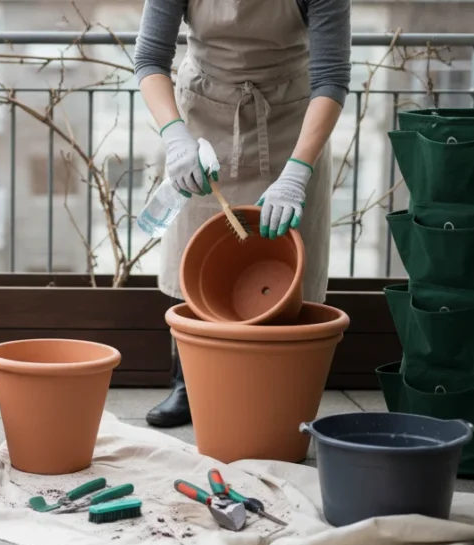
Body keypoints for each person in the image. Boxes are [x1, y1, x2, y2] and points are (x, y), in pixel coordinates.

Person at [134, 0, 351, 427]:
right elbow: (149, 59)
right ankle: (189, 386)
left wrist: (298, 170)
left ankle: (278, 389)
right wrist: (175, 136)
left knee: (286, 260)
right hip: (203, 122)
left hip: (292, 122)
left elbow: (331, 78)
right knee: (195, 256)